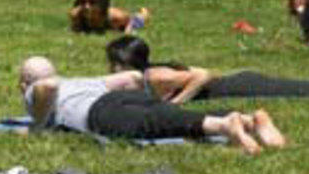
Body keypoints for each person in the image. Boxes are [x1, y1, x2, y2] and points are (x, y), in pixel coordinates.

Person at [18, 56, 287, 155]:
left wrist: (39, 126)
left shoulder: (35, 89)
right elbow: (132, 77)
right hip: (123, 98)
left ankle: (225, 124)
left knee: (155, 124)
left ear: (24, 82)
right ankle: (249, 120)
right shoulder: (81, 81)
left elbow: (46, 87)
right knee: (169, 116)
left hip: (99, 112)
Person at [104, 35, 309, 103]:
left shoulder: (154, 76)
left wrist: (177, 103)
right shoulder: (150, 75)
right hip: (238, 83)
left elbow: (204, 74)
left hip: (239, 86)